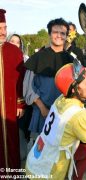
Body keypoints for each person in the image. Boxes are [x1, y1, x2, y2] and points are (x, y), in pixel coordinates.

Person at [25, 62, 86, 179]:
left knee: (85, 151)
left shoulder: (62, 99)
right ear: (75, 89)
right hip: (47, 173)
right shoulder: (77, 116)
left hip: (35, 162)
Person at [24, 18, 73, 138]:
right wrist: (43, 108)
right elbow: (28, 88)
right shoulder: (37, 58)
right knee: (39, 153)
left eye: (63, 33)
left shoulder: (71, 61)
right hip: (42, 115)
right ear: (49, 34)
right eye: (55, 32)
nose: (59, 36)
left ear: (67, 36)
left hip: (64, 117)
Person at [0, 9, 26, 173]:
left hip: (9, 108)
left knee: (10, 141)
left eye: (5, 28)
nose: (3, 32)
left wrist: (20, 103)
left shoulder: (14, 51)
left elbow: (21, 80)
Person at [7, 34, 32, 162]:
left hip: (18, 107)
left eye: (17, 42)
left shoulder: (23, 61)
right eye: (12, 41)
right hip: (4, 105)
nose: (14, 44)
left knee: (20, 147)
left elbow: (23, 85)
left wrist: (20, 104)